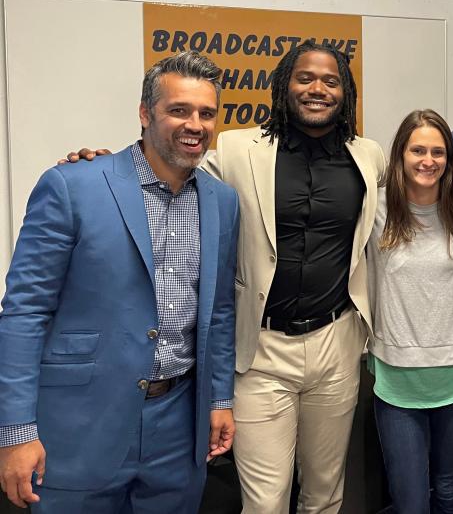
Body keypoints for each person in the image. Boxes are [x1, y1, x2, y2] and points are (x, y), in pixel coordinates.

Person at [65, 42, 386, 514]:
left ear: (346, 92)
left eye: (331, 80)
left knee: (325, 490)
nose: (317, 89)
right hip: (259, 350)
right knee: (265, 499)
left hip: (336, 343)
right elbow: (169, 171)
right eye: (305, 78)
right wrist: (99, 166)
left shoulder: (369, 156)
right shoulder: (237, 149)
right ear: (283, 86)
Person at [0, 51, 239, 512]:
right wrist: (15, 431)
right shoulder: (73, 185)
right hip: (79, 426)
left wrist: (220, 398)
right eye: (179, 110)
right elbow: (25, 313)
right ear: (146, 113)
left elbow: (219, 309)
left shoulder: (222, 202)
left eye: (206, 113)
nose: (195, 124)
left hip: (178, 425)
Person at [367, 109, 453, 514]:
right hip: (397, 380)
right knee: (410, 500)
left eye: (438, 152)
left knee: (451, 491)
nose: (427, 160)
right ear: (400, 155)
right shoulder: (374, 210)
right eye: (417, 150)